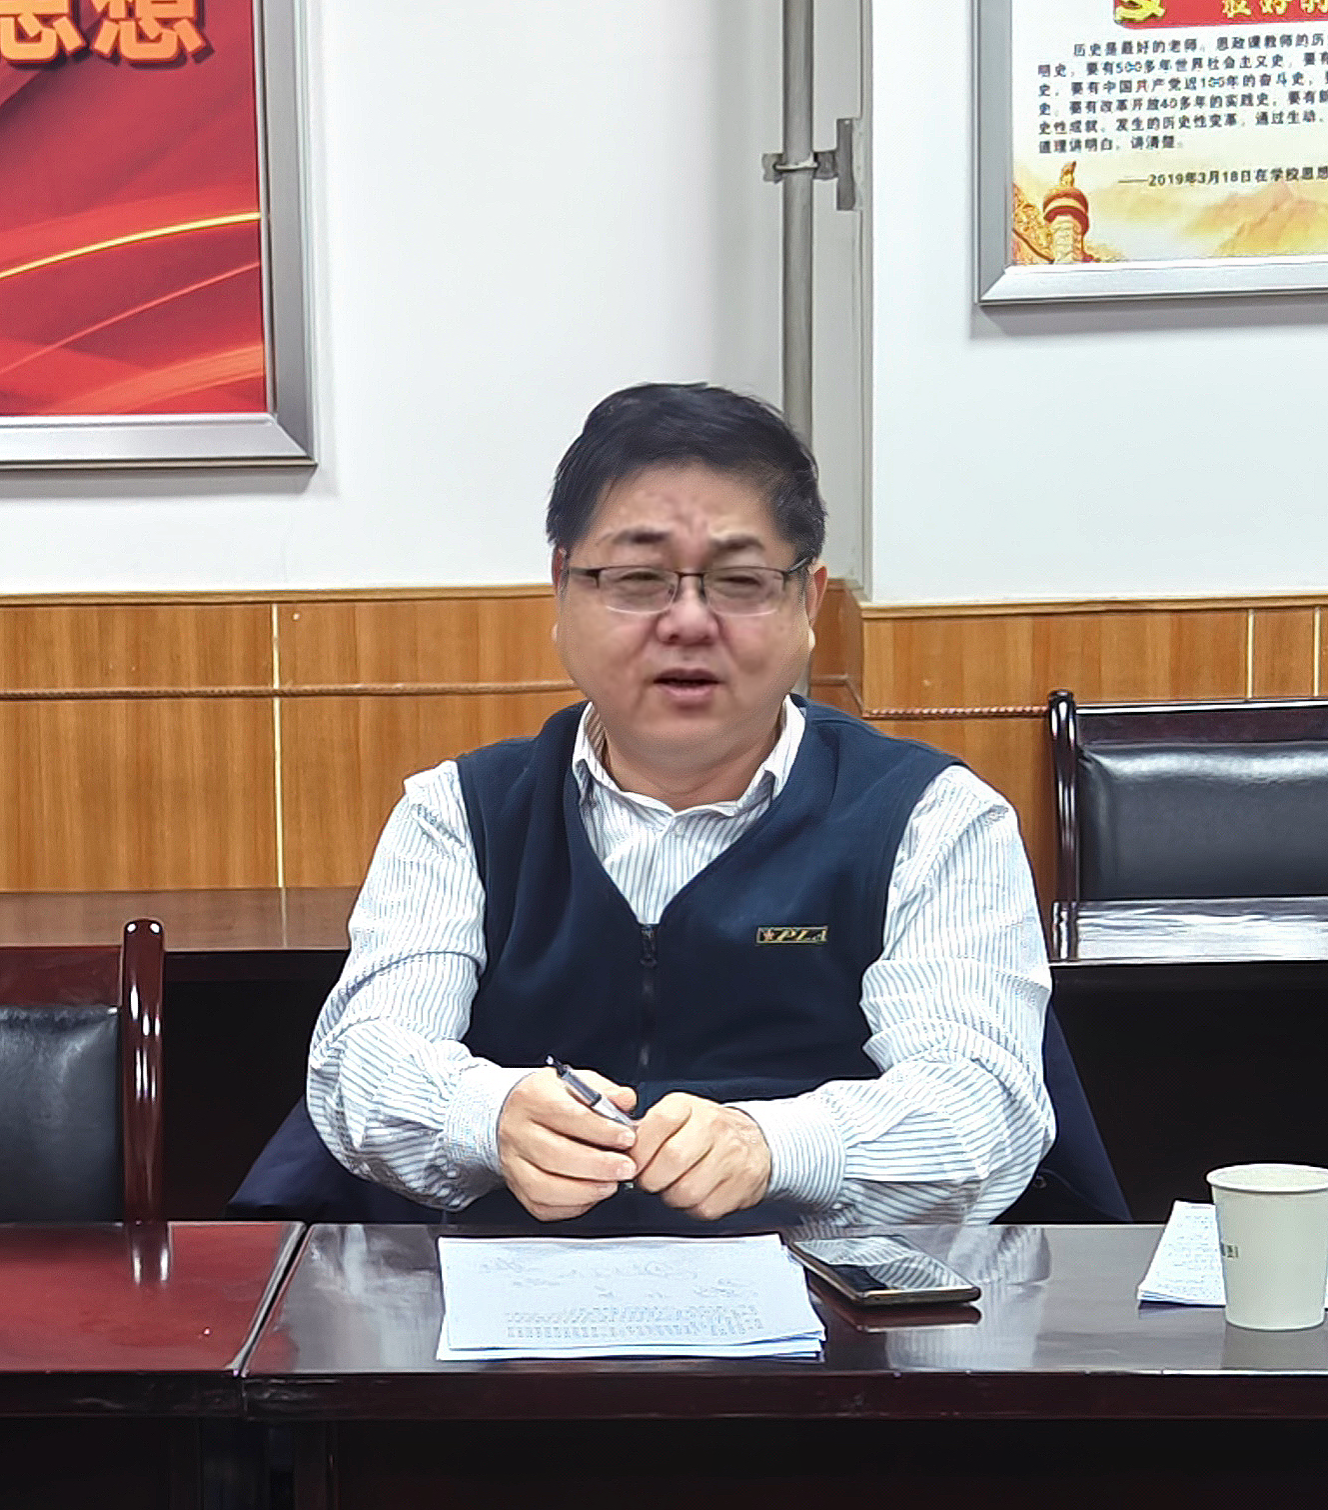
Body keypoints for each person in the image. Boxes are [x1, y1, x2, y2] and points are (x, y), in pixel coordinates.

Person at [288, 382, 1075, 1234]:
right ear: (561, 588)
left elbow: (981, 1108)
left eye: (740, 581)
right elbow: (362, 1063)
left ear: (809, 601)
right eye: (638, 579)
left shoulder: (933, 819)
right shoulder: (458, 813)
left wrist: (775, 1145)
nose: (689, 622)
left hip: (830, 1299)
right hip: (515, 1294)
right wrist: (490, 1112)